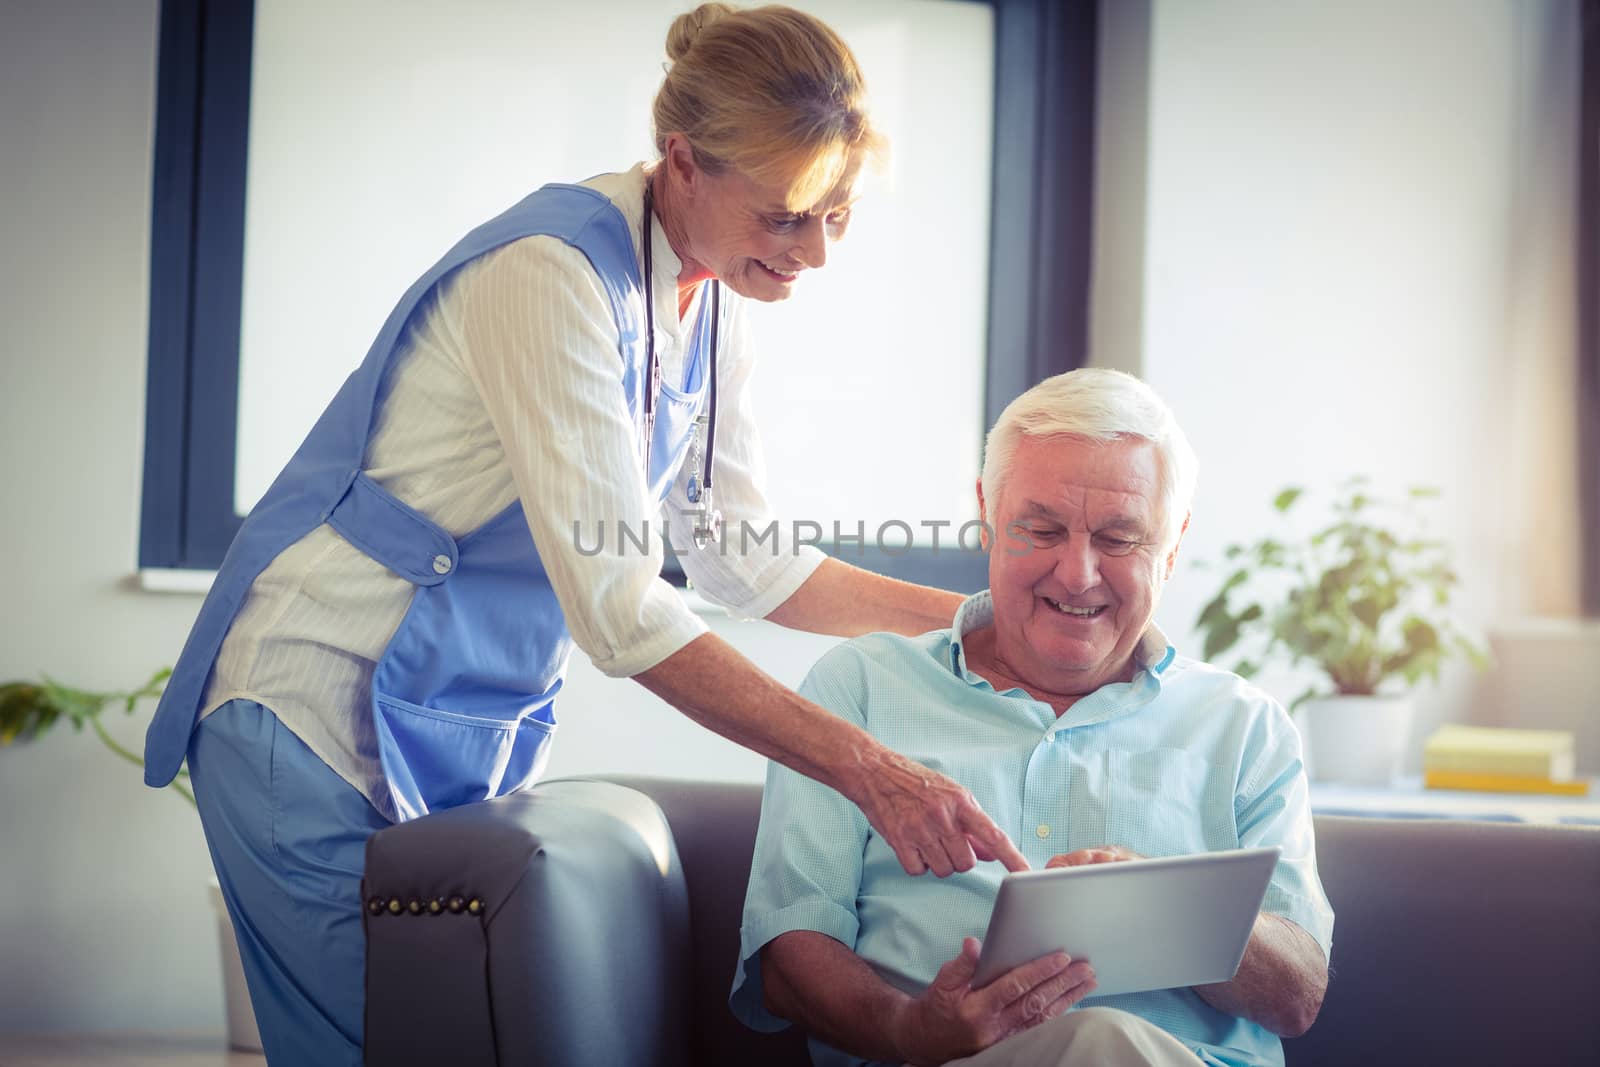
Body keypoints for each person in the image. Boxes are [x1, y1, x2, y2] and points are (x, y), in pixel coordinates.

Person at [141, 5, 1027, 1064]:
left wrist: (988, 620)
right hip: (315, 701)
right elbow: (619, 607)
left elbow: (742, 559)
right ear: (683, 161)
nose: (816, 254)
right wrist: (870, 767)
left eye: (838, 212)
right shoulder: (549, 274)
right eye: (788, 215)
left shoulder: (715, 298)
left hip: (444, 717)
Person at [731, 368, 1334, 1067]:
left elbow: (1297, 993)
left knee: (1106, 1043)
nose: (1076, 573)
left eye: (1118, 539)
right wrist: (910, 1030)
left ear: (1172, 542)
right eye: (1042, 527)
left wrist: (1157, 902)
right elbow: (790, 958)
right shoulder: (857, 689)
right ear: (988, 512)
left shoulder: (1247, 729)